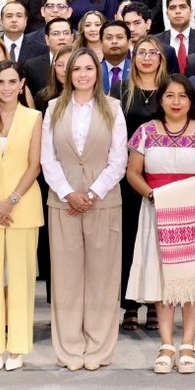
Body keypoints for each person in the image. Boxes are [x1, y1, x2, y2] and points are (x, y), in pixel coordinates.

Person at [127, 74, 195, 374]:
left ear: (190, 101)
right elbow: (133, 172)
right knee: (163, 275)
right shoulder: (145, 132)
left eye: (182, 96)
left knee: (191, 277)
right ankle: (166, 343)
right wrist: (154, 195)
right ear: (161, 99)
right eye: (170, 96)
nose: (176, 102)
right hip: (156, 210)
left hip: (194, 212)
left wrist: (182, 193)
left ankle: (188, 343)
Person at [41, 49, 127, 370]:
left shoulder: (113, 109)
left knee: (102, 278)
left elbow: (118, 160)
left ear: (97, 71)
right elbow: (46, 157)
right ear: (66, 73)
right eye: (75, 68)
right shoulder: (53, 108)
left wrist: (91, 193)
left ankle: (98, 348)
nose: (82, 74)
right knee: (65, 278)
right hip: (62, 203)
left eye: (88, 68)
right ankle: (70, 349)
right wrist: (67, 193)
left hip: (102, 201)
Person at [0, 60, 45, 370]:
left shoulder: (34, 117)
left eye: (11, 81)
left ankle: (17, 347)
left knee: (20, 278)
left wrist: (10, 201)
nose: (5, 87)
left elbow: (35, 164)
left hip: (22, 208)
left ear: (21, 84)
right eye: (0, 82)